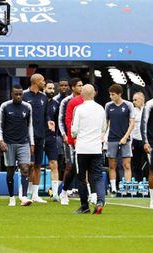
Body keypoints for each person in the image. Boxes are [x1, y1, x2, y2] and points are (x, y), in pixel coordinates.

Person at [71, 84, 106, 214]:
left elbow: (74, 131)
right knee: (97, 177)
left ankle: (84, 206)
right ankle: (100, 201)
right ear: (94, 94)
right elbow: (103, 128)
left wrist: (77, 134)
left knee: (81, 177)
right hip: (96, 148)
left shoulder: (78, 109)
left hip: (82, 148)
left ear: (82, 95)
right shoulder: (100, 109)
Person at [0, 84, 34, 206]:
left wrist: (32, 143)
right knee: (10, 171)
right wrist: (1, 140)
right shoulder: (5, 106)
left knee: (25, 168)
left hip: (23, 142)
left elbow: (30, 126)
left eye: (20, 94)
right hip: (9, 143)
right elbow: (0, 125)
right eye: (16, 94)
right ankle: (11, 197)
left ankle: (23, 197)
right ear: (12, 94)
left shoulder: (27, 107)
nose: (18, 96)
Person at [22, 74, 54, 203]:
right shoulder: (24, 96)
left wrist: (49, 121)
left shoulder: (43, 98)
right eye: (42, 81)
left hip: (41, 135)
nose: (44, 82)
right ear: (35, 82)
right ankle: (25, 193)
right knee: (27, 165)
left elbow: (46, 114)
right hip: (27, 136)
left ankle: (35, 194)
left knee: (38, 165)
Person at [105, 84, 135, 195]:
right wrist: (103, 135)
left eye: (113, 94)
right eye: (110, 94)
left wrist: (125, 137)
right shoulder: (108, 106)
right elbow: (106, 122)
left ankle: (127, 188)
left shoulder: (128, 105)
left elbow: (132, 123)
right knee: (112, 165)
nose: (111, 96)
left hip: (125, 140)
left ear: (119, 94)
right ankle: (113, 188)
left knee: (126, 164)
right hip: (112, 139)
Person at [60, 77, 83, 205]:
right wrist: (64, 134)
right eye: (79, 85)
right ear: (73, 87)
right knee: (70, 165)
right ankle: (65, 190)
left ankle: (81, 190)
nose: (81, 87)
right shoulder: (66, 101)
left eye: (82, 85)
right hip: (70, 138)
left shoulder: (86, 101)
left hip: (84, 139)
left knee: (83, 166)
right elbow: (63, 119)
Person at [44, 81, 61, 201]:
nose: (52, 90)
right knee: (34, 165)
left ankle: (55, 194)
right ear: (44, 88)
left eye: (53, 88)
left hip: (51, 137)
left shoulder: (56, 103)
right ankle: (30, 193)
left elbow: (58, 121)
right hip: (38, 136)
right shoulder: (38, 101)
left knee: (54, 163)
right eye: (49, 88)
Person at [53, 78, 69, 187]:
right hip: (57, 135)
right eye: (61, 85)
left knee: (68, 162)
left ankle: (66, 187)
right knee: (58, 160)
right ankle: (56, 187)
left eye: (65, 85)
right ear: (58, 87)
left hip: (69, 135)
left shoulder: (70, 100)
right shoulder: (54, 100)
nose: (63, 87)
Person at [131, 92, 146, 181]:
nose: (133, 102)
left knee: (149, 162)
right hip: (135, 139)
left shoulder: (147, 110)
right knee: (136, 163)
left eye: (135, 100)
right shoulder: (132, 111)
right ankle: (138, 182)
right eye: (133, 100)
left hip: (146, 140)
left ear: (142, 100)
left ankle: (149, 183)